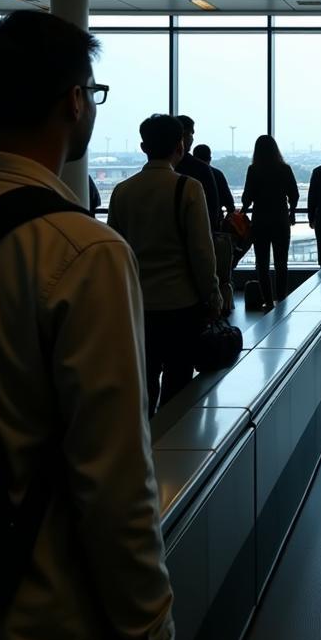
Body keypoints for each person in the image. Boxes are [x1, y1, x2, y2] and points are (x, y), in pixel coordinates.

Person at [0, 11, 174, 640]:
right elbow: (114, 483)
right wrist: (151, 634)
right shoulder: (80, 252)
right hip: (34, 621)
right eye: (92, 94)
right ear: (74, 101)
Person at [108, 114, 222, 416]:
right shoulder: (189, 188)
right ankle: (174, 450)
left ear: (143, 147)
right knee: (179, 384)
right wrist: (213, 295)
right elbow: (201, 251)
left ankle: (144, 445)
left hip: (139, 306)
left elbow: (115, 251)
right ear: (180, 146)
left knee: (143, 384)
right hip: (181, 306)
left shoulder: (122, 191)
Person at [242, 135, 299, 308]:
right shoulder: (284, 169)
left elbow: (247, 197)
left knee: (262, 263)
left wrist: (243, 210)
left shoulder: (254, 169)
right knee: (282, 263)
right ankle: (281, 298)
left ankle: (267, 301)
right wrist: (292, 212)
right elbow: (294, 194)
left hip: (260, 221)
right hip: (281, 220)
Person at [174, 115, 220, 230]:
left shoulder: (136, 183)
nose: (192, 139)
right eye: (191, 134)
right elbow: (212, 210)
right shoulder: (202, 170)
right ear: (183, 136)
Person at [192, 143, 235, 218]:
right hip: (215, 219)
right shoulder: (217, 174)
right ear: (210, 158)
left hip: (192, 218)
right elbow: (229, 203)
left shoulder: (188, 175)